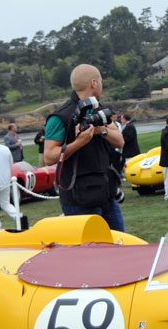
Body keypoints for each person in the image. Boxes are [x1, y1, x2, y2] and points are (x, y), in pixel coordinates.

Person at [43, 64, 126, 231]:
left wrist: (101, 130)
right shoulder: (61, 116)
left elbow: (120, 141)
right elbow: (49, 156)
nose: (102, 85)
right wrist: (78, 143)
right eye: (101, 81)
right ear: (94, 83)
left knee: (120, 246)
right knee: (88, 253)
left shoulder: (100, 111)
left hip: (106, 194)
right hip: (79, 199)